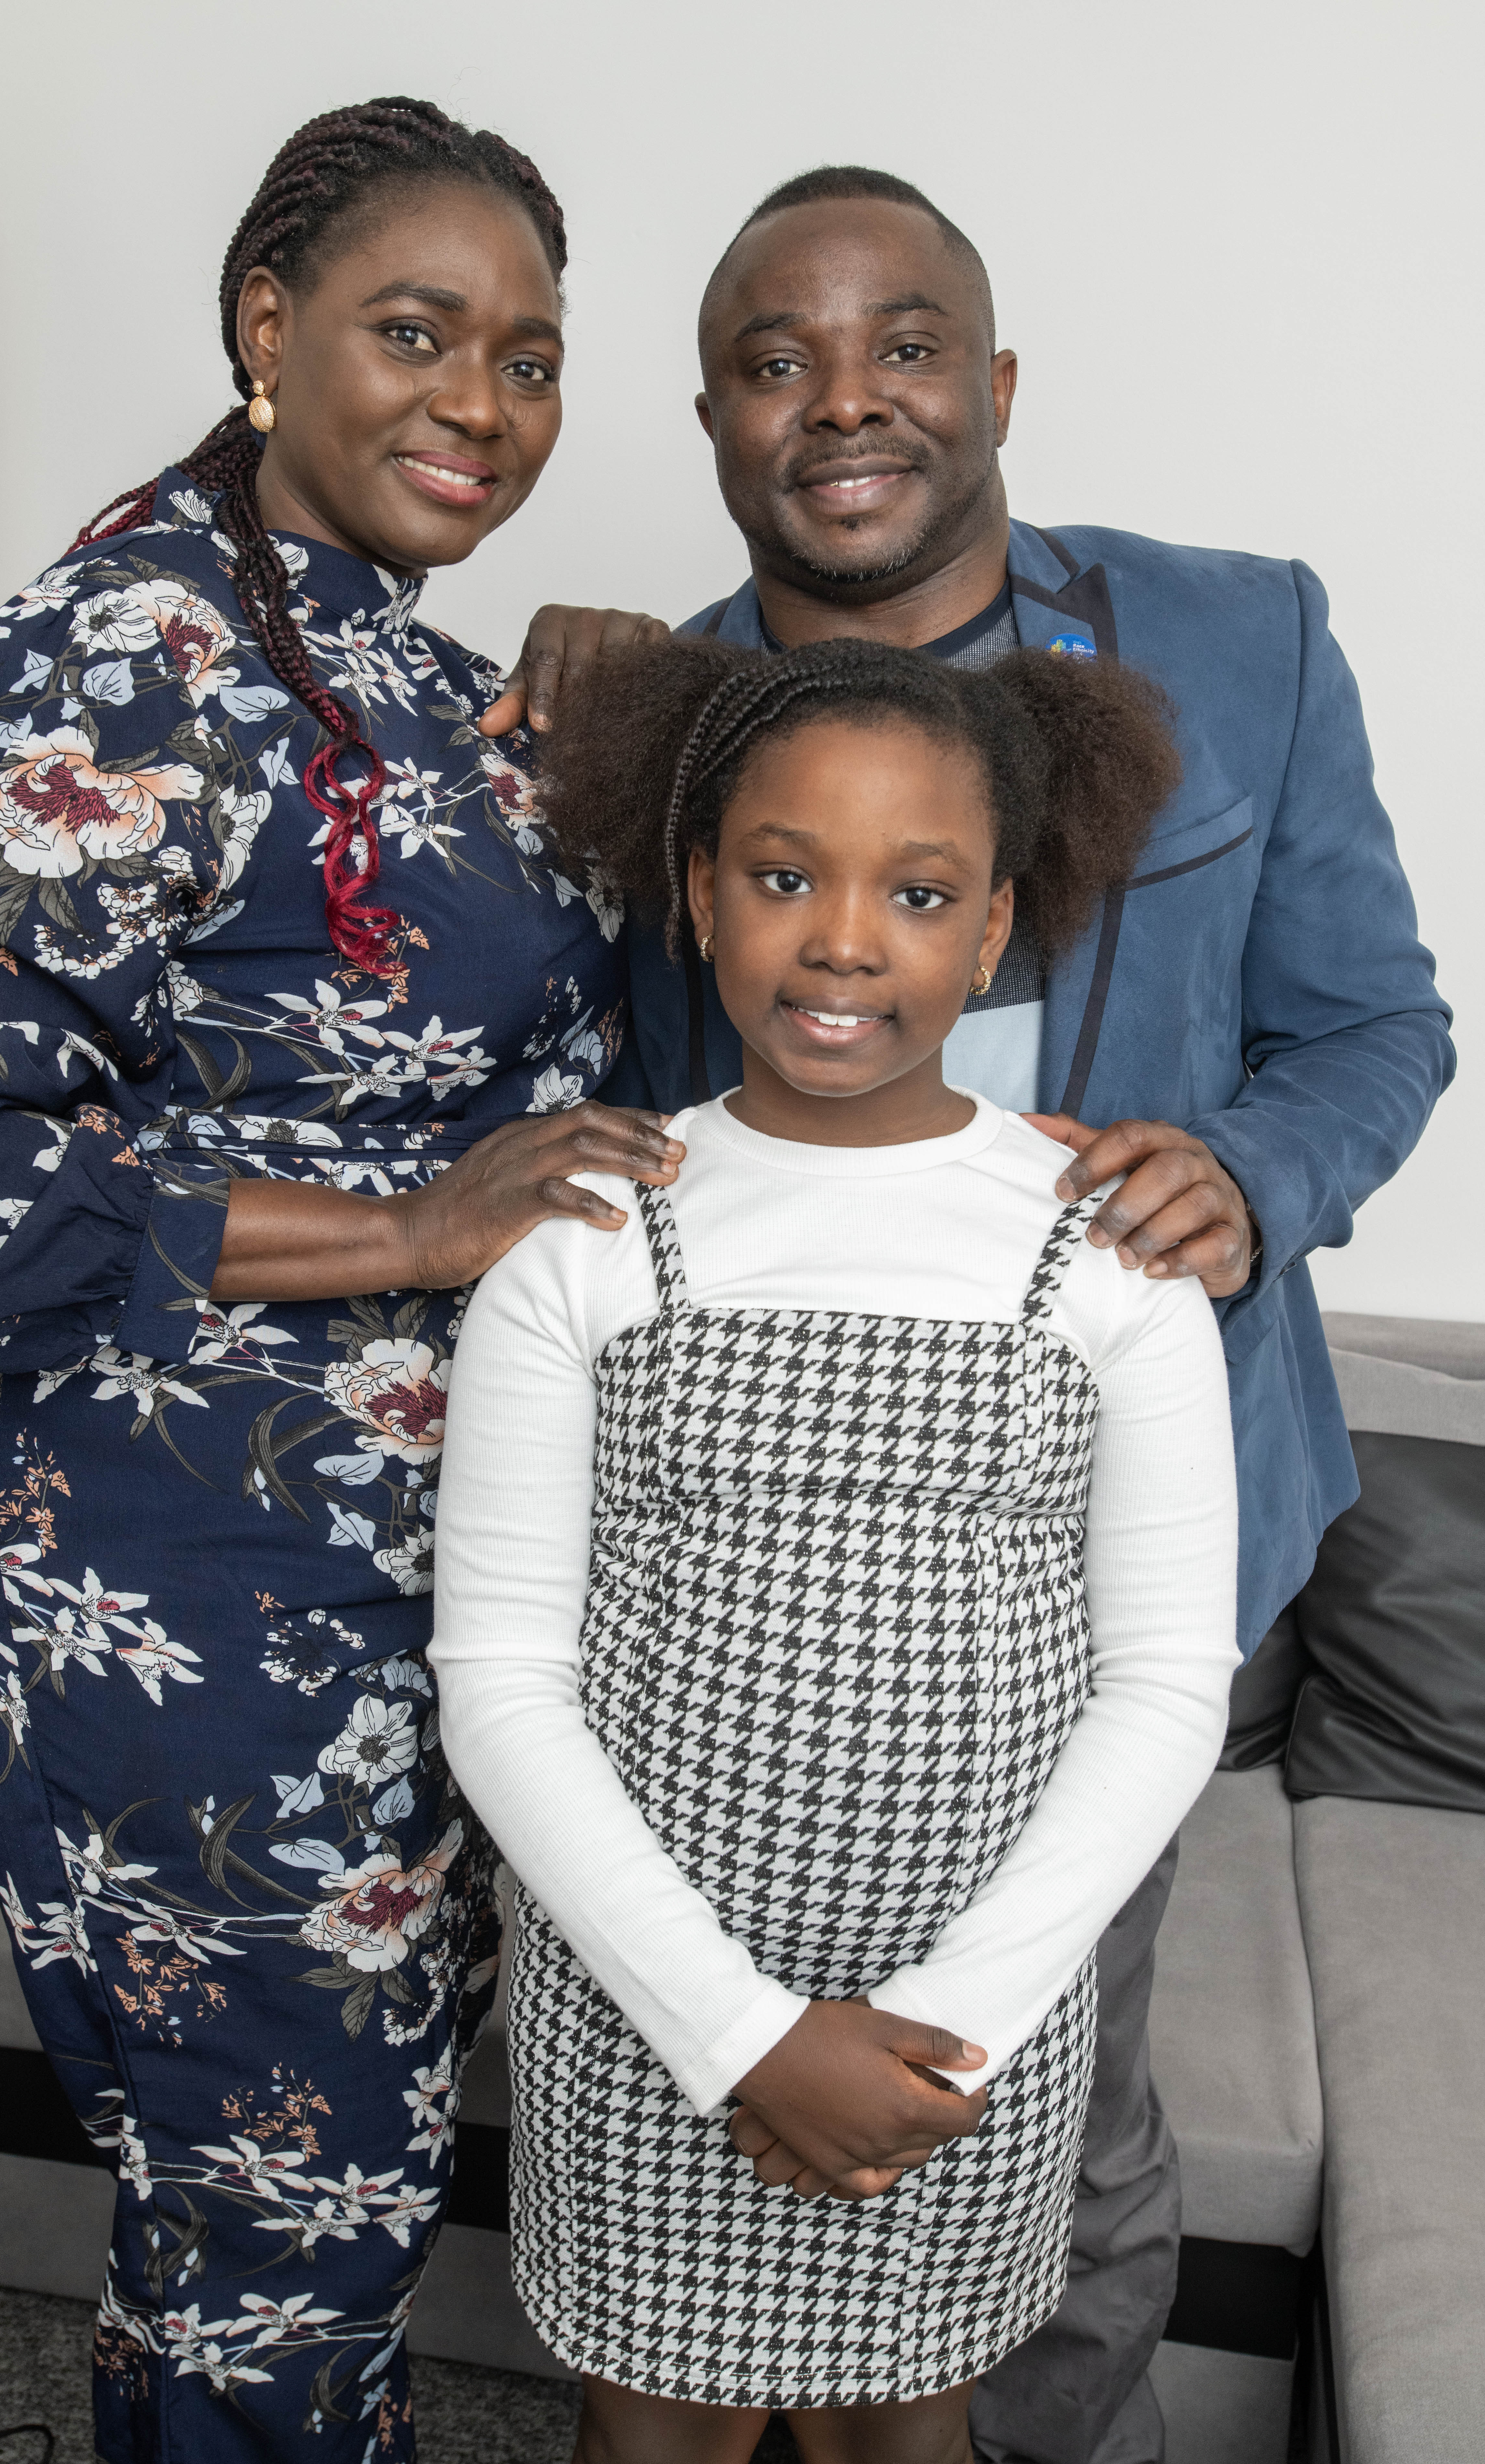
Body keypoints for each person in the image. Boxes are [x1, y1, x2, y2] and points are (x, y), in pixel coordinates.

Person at [484, 166, 1454, 2464]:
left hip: (1116, 1525)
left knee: (1057, 2117)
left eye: (903, 345)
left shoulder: (1244, 640)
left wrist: (1246, 1174)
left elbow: (1378, 1030)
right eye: (772, 360)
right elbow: (595, 1110)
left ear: (993, 382)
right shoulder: (652, 718)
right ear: (712, 421)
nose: (846, 402)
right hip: (720, 1586)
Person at [0, 97, 683, 2464]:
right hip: (207, 1612)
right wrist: (408, 1230)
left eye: (531, 354)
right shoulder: (121, 652)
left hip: (415, 1595)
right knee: (278, 2230)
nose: (482, 400)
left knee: (312, 2230)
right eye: (417, 330)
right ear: (265, 330)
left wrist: (637, 730)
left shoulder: (406, 663)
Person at [431, 630, 1240, 2464]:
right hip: (647, 2000)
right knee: (658, 2436)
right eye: (785, 873)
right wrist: (728, 2030)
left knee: (904, 2431)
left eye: (918, 889)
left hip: (972, 2017)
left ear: (993, 922)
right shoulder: (588, 1236)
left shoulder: (1101, 1247)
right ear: (700, 891)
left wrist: (953, 2022)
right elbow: (497, 1681)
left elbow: (1168, 1680)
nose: (846, 937)